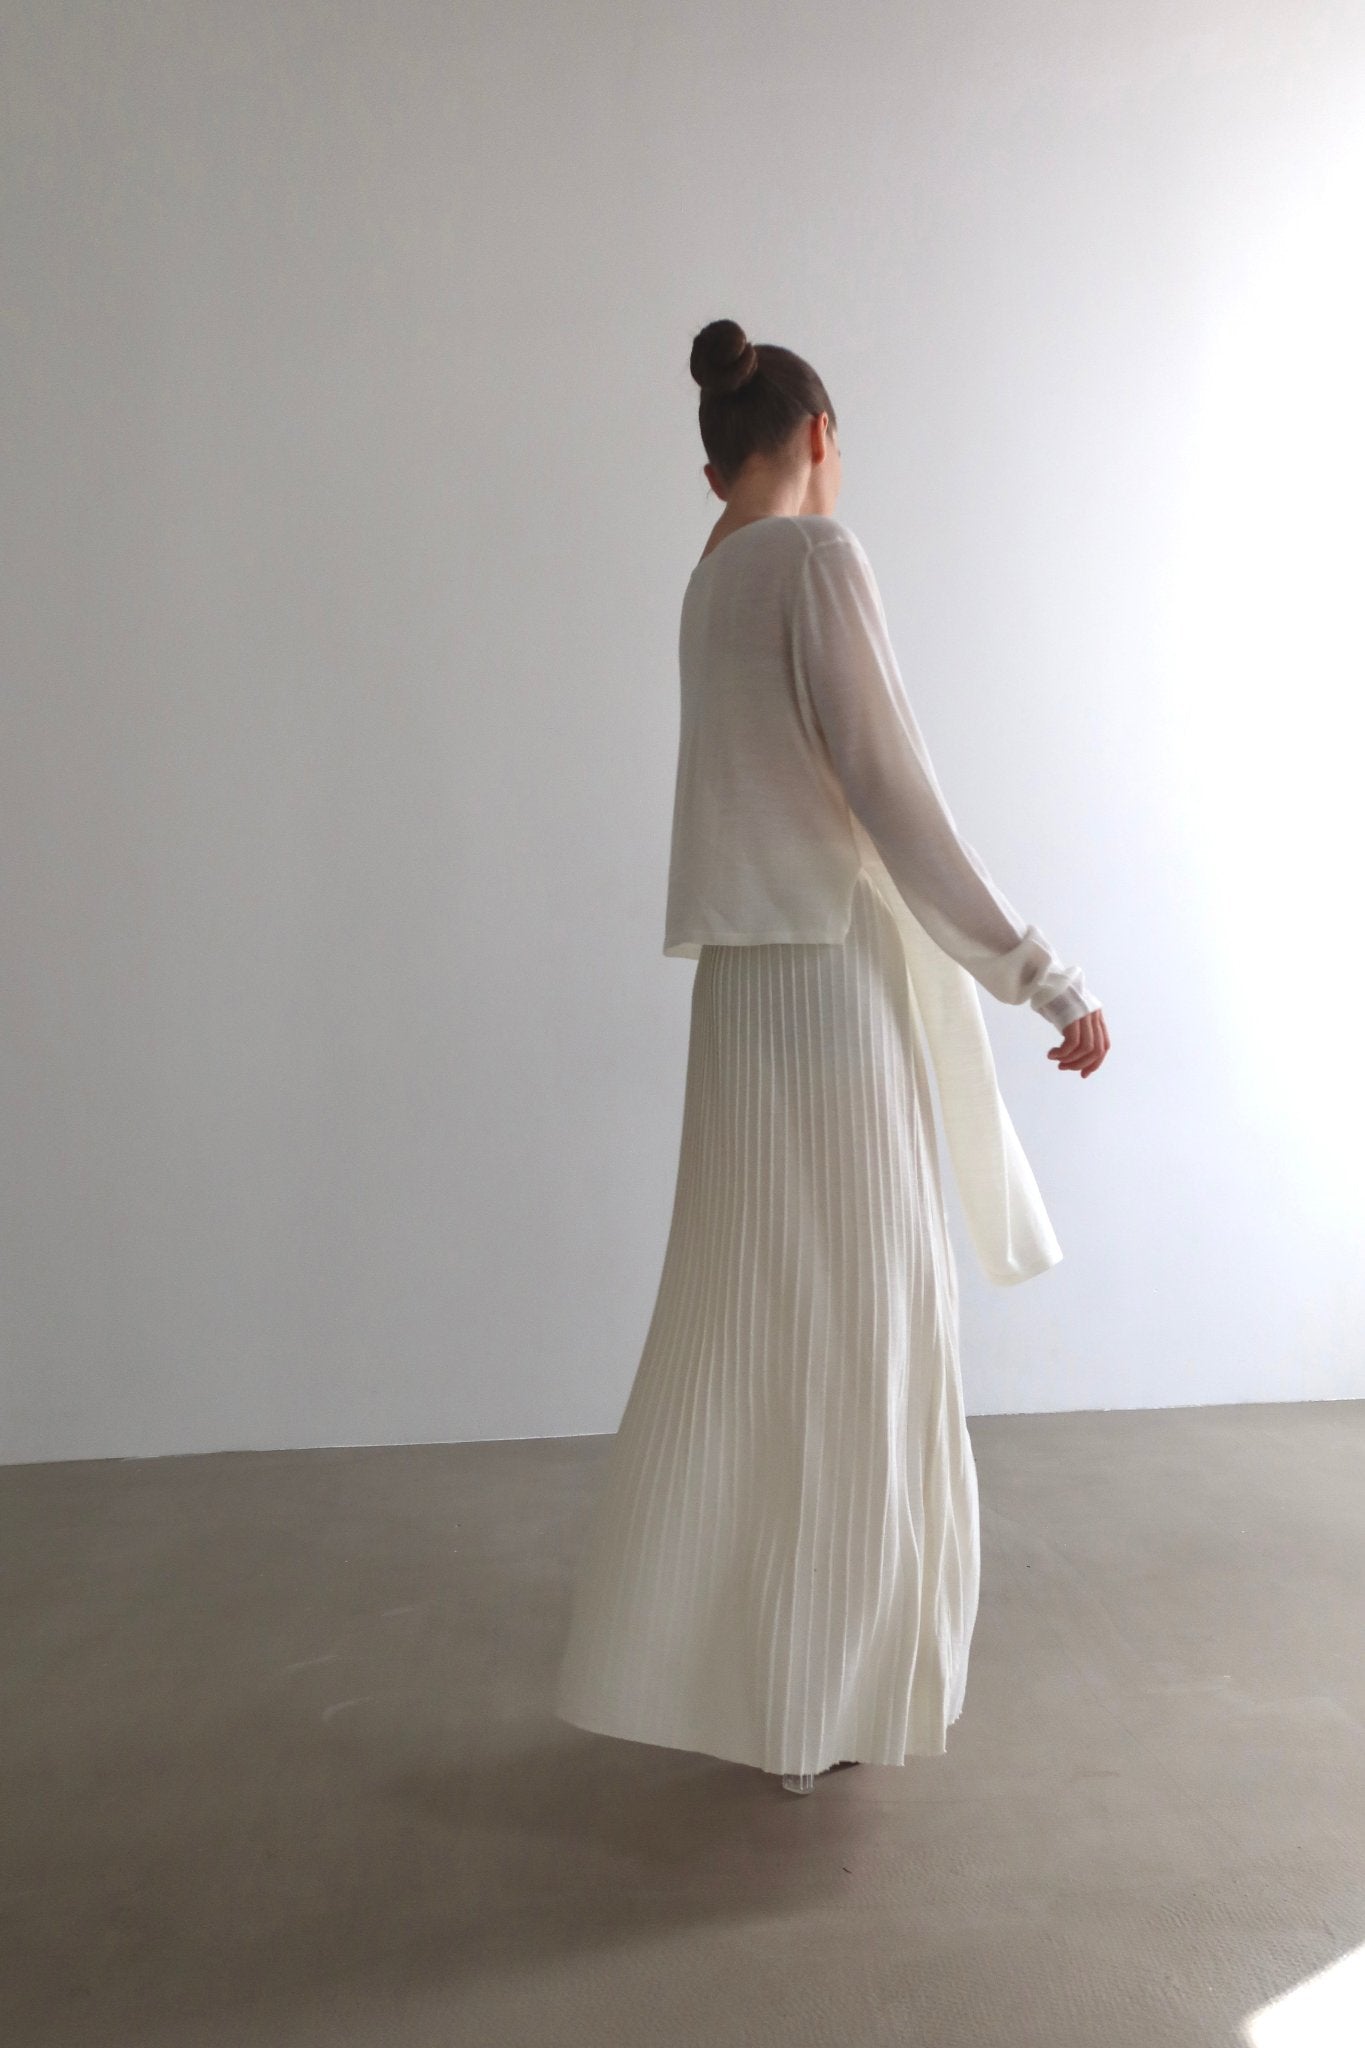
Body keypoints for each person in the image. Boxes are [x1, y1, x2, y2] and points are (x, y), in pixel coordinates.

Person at [553, 319, 1109, 1796]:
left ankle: (765, 1689)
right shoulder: (817, 562)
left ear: (711, 463)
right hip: (828, 986)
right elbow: (893, 796)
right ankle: (833, 1690)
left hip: (744, 989)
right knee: (862, 1326)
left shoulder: (706, 585)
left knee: (761, 1319)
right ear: (818, 436)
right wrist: (1038, 976)